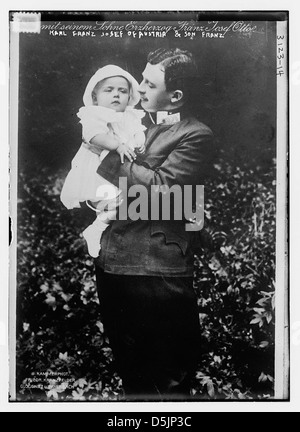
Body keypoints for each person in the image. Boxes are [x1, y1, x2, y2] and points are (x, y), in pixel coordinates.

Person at [86, 48, 215, 401]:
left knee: (170, 380)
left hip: (159, 272)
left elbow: (165, 194)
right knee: (133, 375)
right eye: (140, 79)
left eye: (148, 82)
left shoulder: (195, 135)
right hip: (114, 265)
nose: (137, 88)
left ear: (176, 96)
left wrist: (111, 155)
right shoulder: (133, 122)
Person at [60, 65, 146, 257]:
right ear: (95, 96)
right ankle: (97, 229)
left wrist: (140, 142)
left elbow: (137, 131)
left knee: (129, 203)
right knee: (118, 203)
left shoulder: (129, 116)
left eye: (122, 91)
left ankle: (101, 229)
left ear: (130, 97)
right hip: (98, 170)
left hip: (121, 170)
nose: (116, 95)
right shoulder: (93, 114)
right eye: (109, 90)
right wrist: (117, 145)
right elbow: (93, 136)